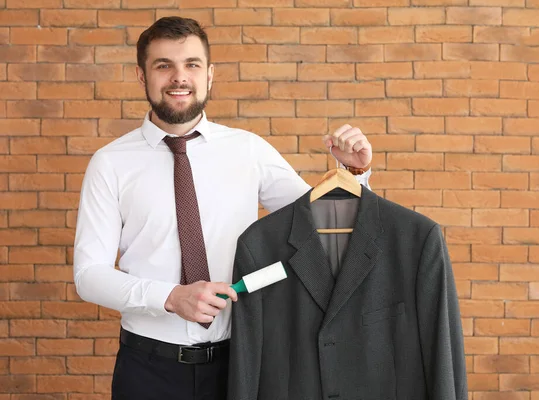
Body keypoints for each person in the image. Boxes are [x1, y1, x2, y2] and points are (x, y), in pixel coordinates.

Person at [73, 16, 373, 400]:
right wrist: (169, 296)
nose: (179, 77)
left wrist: (354, 173)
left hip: (242, 365)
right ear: (141, 75)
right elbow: (89, 274)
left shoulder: (248, 150)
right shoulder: (110, 163)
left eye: (192, 65)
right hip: (147, 369)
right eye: (164, 65)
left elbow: (322, 224)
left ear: (210, 75)